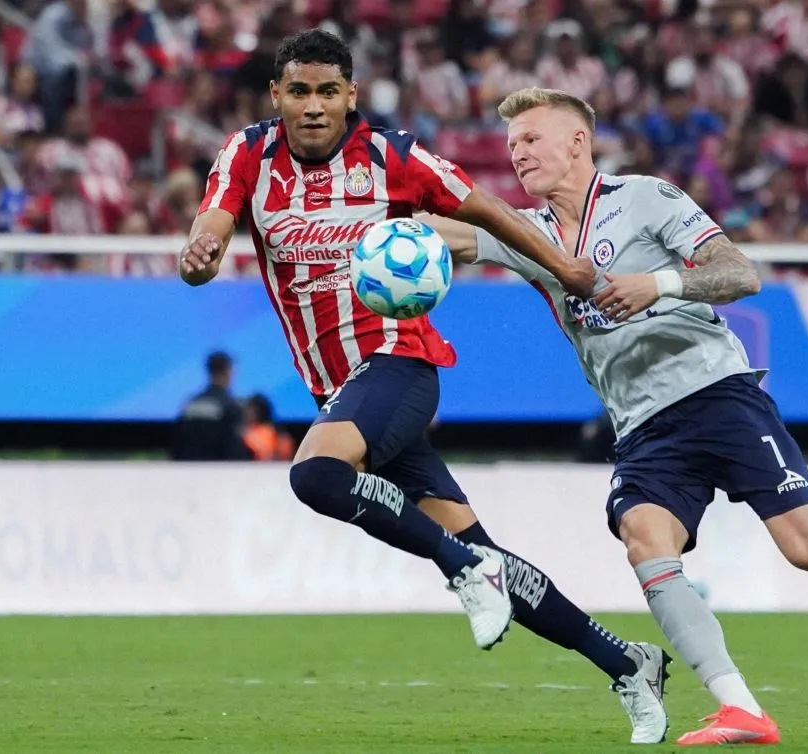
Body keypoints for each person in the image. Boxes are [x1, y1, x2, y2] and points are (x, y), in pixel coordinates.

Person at [422, 86, 808, 747]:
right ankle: (741, 708)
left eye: (531, 139)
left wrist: (659, 284)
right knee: (645, 538)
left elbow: (740, 274)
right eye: (512, 144)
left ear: (577, 142)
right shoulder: (528, 236)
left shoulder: (646, 198)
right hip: (641, 427)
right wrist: (359, 221)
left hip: (716, 393)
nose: (517, 153)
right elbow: (448, 234)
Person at [179, 30, 670, 744]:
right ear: (276, 95)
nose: (313, 106)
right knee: (490, 554)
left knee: (315, 475)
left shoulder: (394, 158)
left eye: (327, 92)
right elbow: (211, 228)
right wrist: (199, 252)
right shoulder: (248, 154)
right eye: (299, 91)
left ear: (350, 95)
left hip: (399, 363)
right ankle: (627, 663)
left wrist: (567, 269)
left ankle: (462, 570)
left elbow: (488, 209)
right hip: (340, 393)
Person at [170, 351, 253, 462]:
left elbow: (177, 444)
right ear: (228, 372)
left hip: (189, 468)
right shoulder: (231, 407)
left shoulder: (190, 405)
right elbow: (234, 450)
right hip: (218, 469)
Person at [242, 393, 297, 461]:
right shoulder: (246, 432)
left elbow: (285, 453)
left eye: (253, 410)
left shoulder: (271, 432)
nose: (249, 414)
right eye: (248, 410)